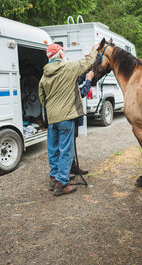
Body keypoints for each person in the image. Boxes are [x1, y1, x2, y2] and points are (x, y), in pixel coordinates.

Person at [39, 43, 98, 196]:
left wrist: (53, 107)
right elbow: (88, 63)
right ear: (60, 55)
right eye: (62, 52)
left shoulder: (44, 75)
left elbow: (42, 98)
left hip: (52, 119)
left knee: (53, 149)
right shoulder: (69, 68)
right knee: (66, 150)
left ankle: (54, 178)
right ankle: (62, 183)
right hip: (66, 117)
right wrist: (94, 50)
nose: (64, 54)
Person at [70, 70, 95, 175]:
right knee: (69, 144)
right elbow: (82, 93)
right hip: (70, 117)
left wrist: (86, 74)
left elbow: (76, 81)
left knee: (71, 143)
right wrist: (89, 80)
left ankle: (73, 166)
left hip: (66, 117)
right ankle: (69, 170)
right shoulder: (65, 78)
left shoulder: (65, 77)